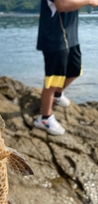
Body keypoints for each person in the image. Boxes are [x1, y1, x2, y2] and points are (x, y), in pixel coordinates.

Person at [34, 0, 98, 135]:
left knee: (75, 70)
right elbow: (62, 5)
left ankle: (57, 95)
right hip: (55, 39)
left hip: (71, 37)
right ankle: (45, 119)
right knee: (53, 80)